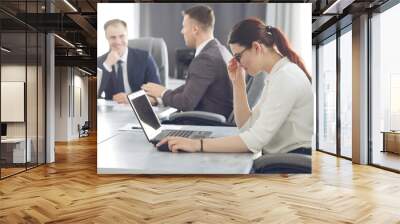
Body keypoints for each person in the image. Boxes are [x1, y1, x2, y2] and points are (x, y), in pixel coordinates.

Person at [156, 18, 313, 162]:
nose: (237, 62)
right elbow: (246, 126)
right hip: (279, 158)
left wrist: (197, 144)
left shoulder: (285, 77)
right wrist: (238, 83)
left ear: (257, 47)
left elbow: (254, 140)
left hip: (286, 164)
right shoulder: (277, 75)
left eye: (238, 57)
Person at [142, 5, 233, 119]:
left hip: (205, 123)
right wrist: (159, 98)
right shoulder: (220, 50)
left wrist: (163, 92)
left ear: (195, 29)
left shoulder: (205, 59)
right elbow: (191, 87)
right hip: (214, 118)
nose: (182, 31)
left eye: (184, 26)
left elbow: (186, 103)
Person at [97, 19, 161, 104]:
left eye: (121, 36)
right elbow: (92, 96)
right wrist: (107, 65)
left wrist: (131, 99)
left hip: (139, 110)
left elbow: (157, 96)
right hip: (111, 113)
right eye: (113, 37)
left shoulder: (144, 58)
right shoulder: (100, 62)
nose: (118, 41)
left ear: (127, 35)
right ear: (107, 38)